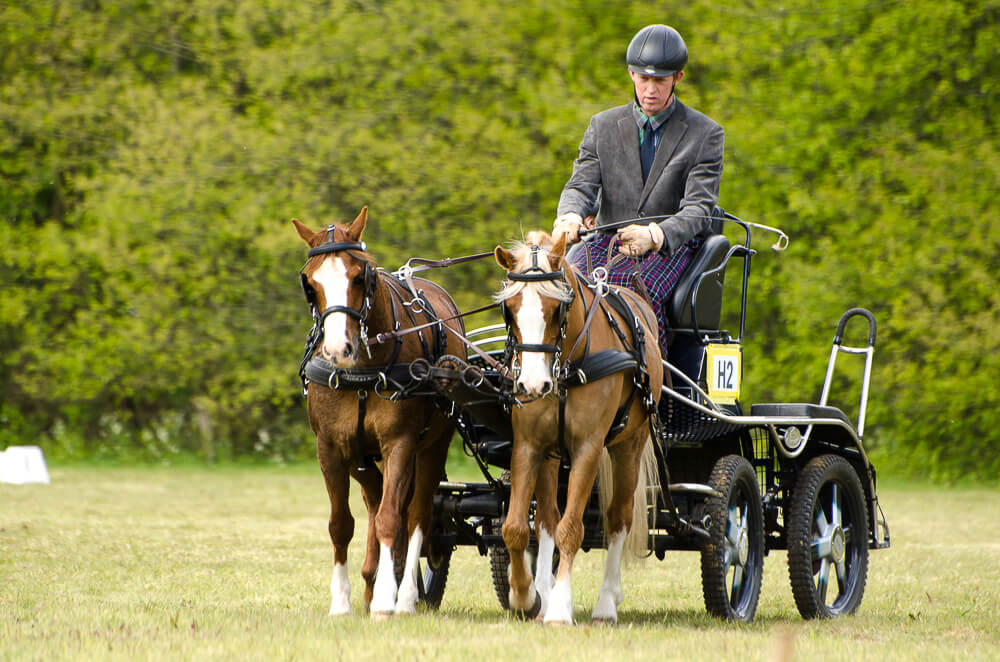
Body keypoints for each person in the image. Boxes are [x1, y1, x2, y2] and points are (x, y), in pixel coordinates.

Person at [553, 24, 724, 352]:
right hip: (607, 240)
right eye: (643, 79)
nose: (650, 89)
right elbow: (580, 184)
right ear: (631, 74)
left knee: (632, 288)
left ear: (678, 78)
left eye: (660, 80)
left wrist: (655, 235)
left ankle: (651, 391)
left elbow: (698, 210)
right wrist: (571, 216)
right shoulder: (602, 126)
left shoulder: (705, 134)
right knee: (559, 284)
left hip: (670, 247)